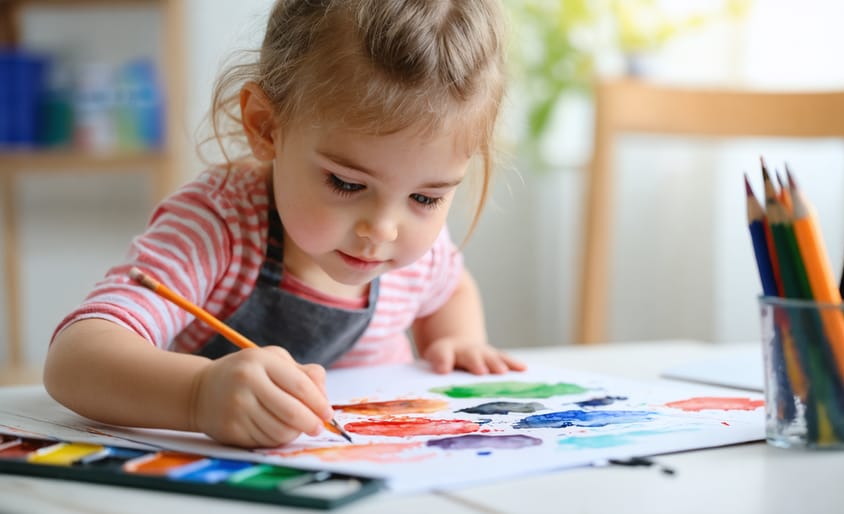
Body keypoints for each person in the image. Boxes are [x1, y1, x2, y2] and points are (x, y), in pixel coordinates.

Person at [43, 0, 526, 449]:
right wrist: (197, 396)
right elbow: (74, 359)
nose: (383, 229)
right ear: (265, 126)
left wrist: (457, 340)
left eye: (426, 197)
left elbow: (451, 287)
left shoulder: (421, 255)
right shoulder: (219, 227)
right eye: (346, 183)